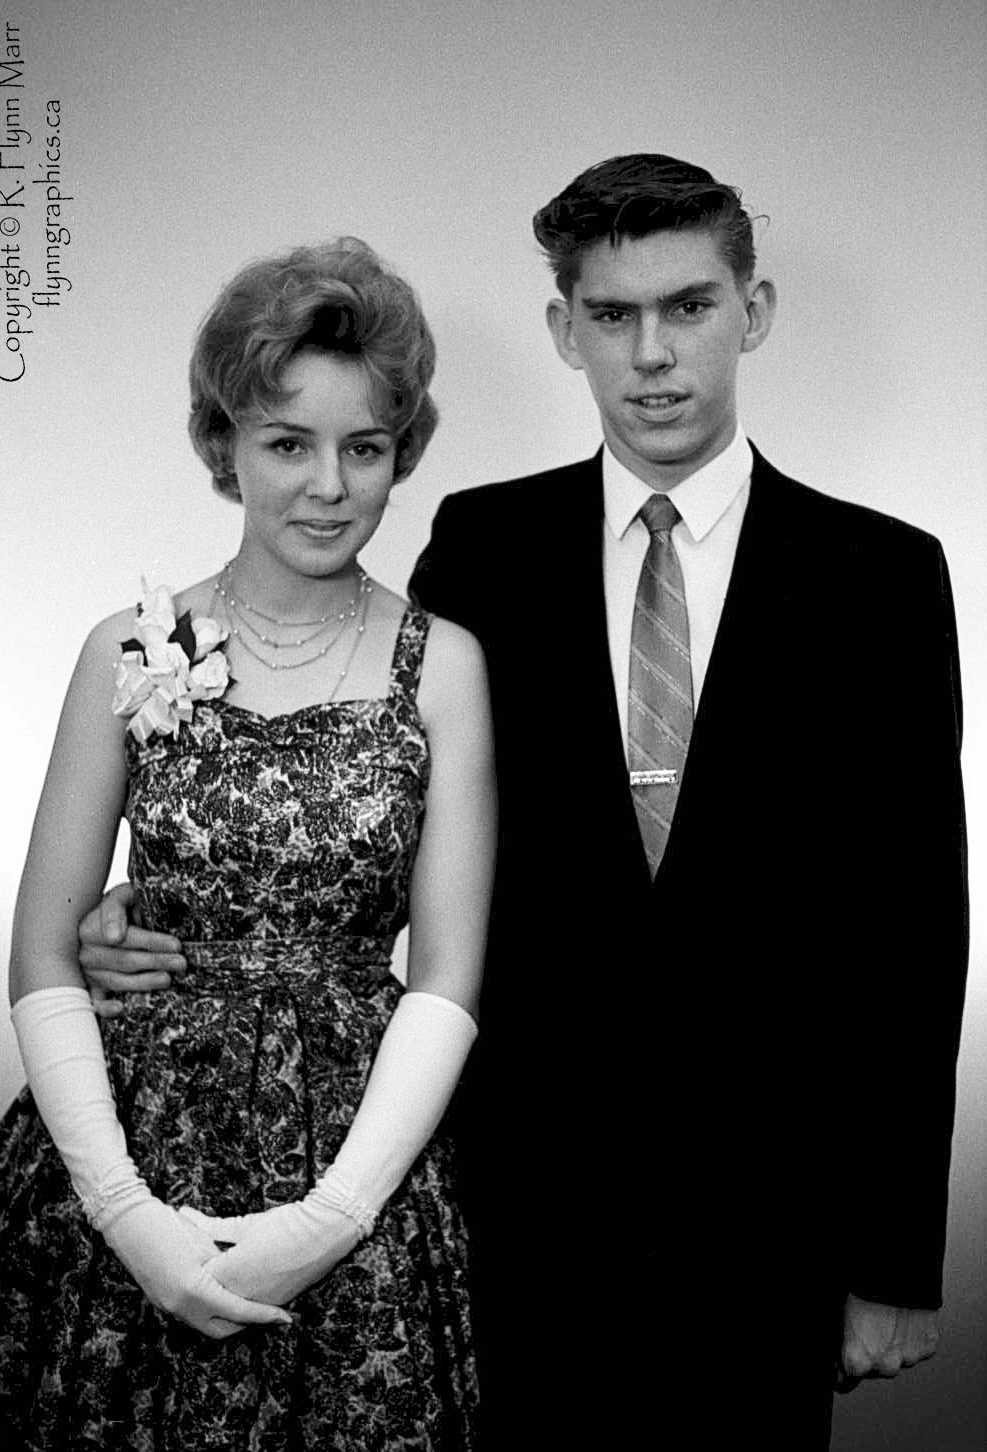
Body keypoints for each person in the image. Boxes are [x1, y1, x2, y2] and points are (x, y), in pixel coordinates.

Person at [76, 156, 968, 1449]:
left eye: (688, 306)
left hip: (770, 1223)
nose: (651, 353)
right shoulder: (484, 548)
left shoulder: (880, 575)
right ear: (564, 328)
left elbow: (915, 930)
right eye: (611, 314)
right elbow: (384, 820)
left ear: (753, 311)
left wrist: (893, 1255)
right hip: (513, 1211)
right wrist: (168, 907)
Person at [0, 238, 494, 1451]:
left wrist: (329, 1220)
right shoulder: (126, 649)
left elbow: (447, 979)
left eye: (364, 448)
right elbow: (43, 953)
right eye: (288, 444)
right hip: (121, 1160)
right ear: (225, 444)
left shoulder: (444, 667)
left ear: (402, 453)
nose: (329, 486)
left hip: (357, 1165)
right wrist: (124, 1214)